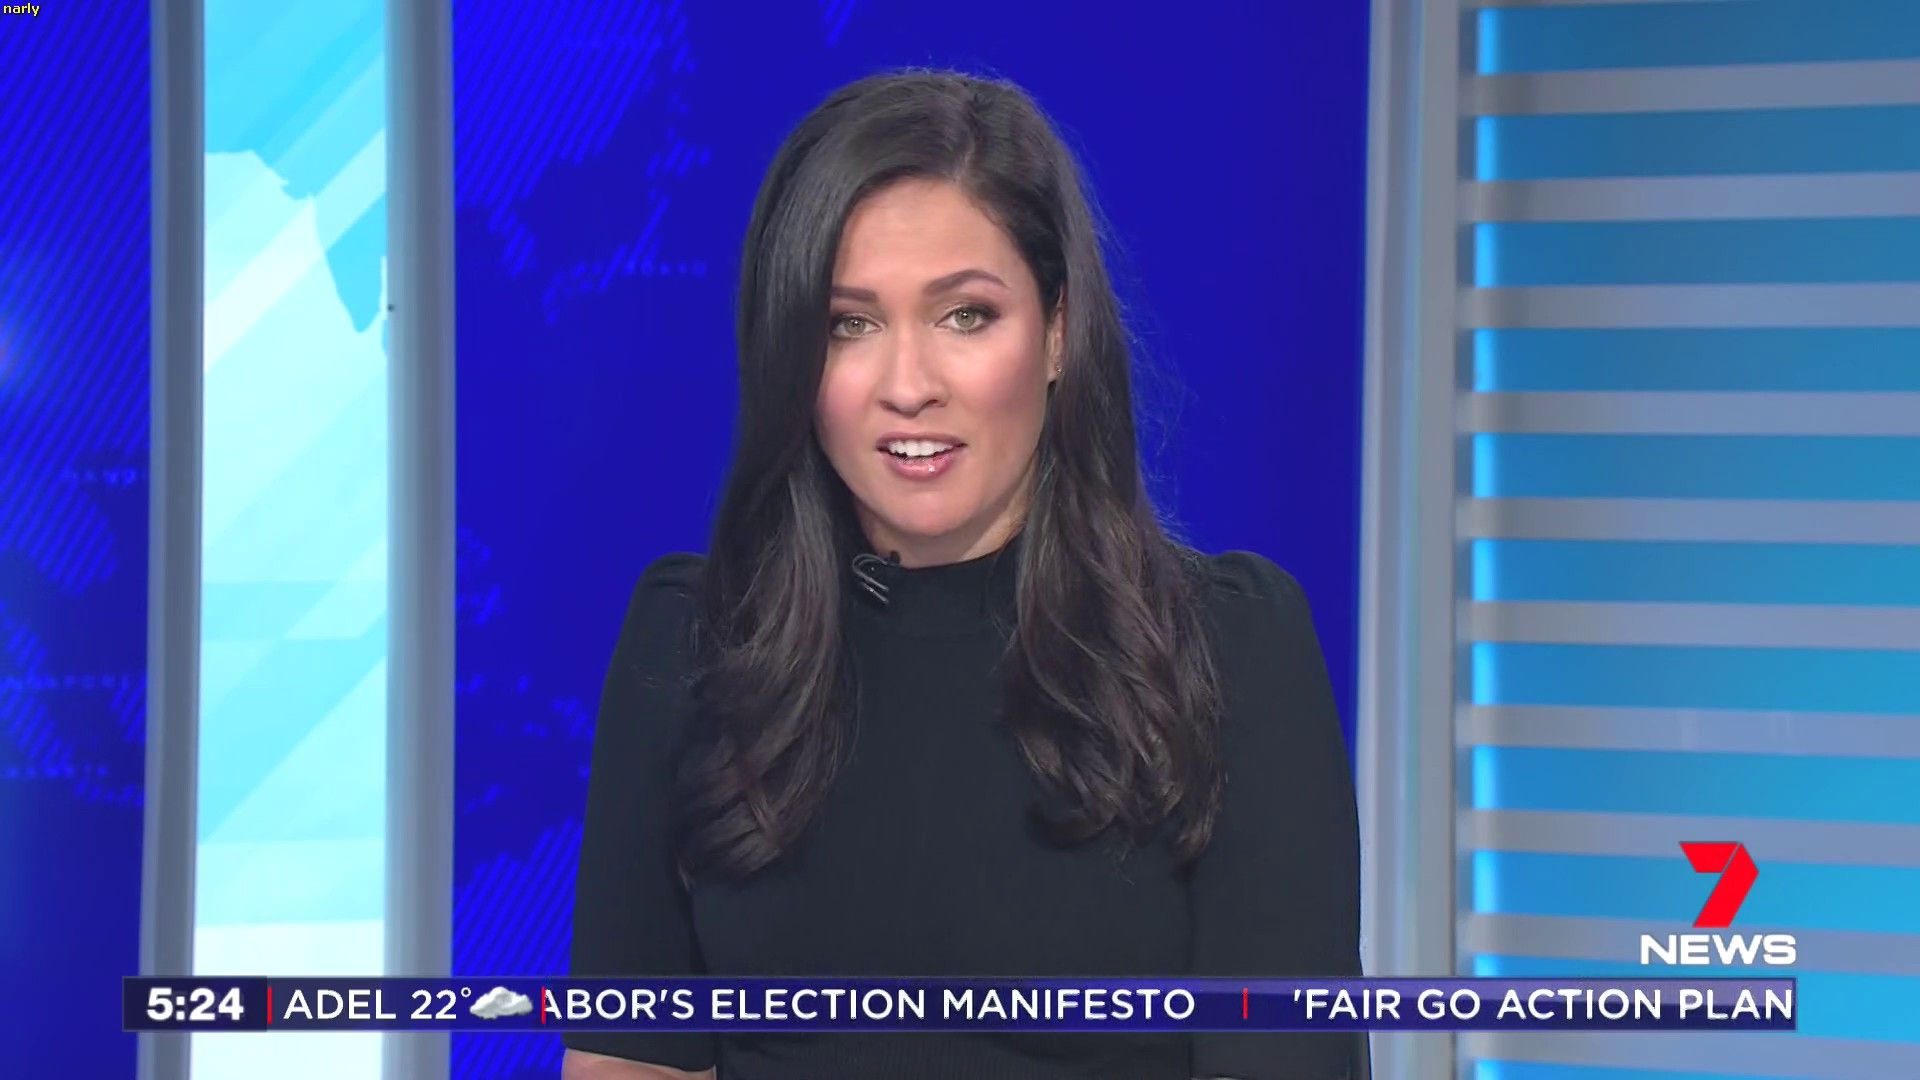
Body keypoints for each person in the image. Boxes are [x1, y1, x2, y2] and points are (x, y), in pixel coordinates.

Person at [560, 68, 1362, 1080]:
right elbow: (628, 1063)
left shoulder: (1228, 650)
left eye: (966, 316)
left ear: (1058, 331)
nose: (909, 386)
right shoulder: (693, 647)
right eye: (849, 324)